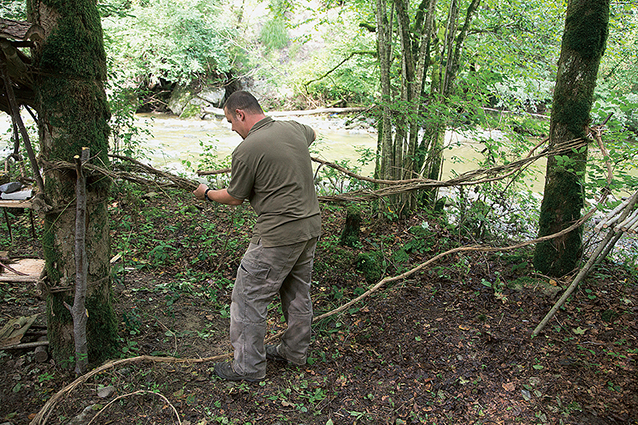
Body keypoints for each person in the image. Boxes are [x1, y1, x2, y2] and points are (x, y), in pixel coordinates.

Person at [193, 91, 321, 382]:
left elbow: (234, 197)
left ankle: (247, 367)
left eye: (230, 121)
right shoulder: (293, 128)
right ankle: (294, 352)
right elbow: (314, 132)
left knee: (248, 297)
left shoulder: (247, 149)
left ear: (241, 114)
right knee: (298, 292)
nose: (232, 128)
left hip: (277, 235)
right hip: (310, 227)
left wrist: (207, 194)